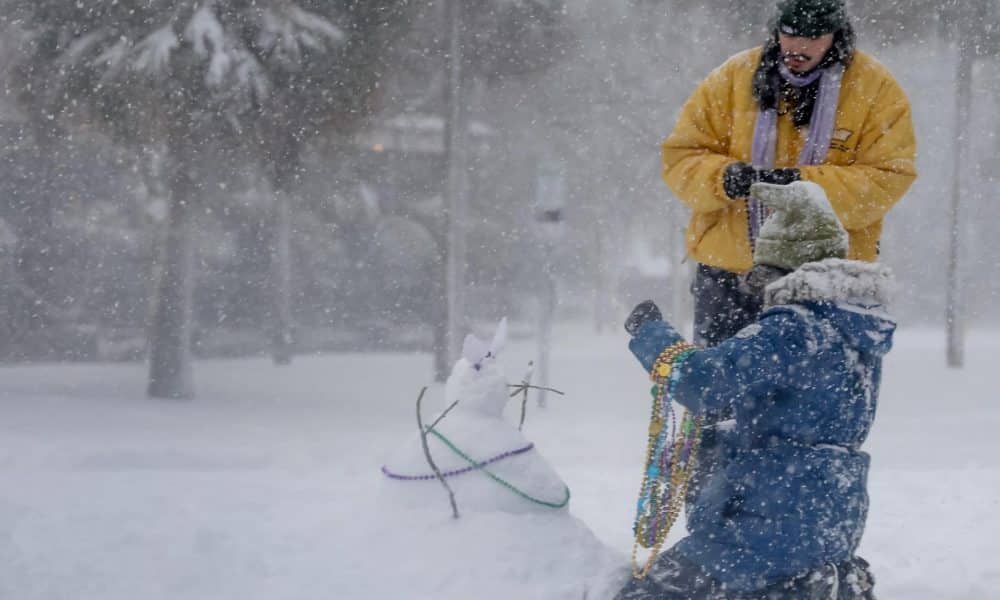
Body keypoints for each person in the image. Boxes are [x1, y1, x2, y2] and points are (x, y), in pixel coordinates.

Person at [661, 0, 916, 509]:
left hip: (823, 289)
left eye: (812, 38)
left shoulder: (877, 90)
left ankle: (791, 532)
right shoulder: (732, 77)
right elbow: (680, 156)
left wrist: (802, 184)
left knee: (806, 418)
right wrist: (722, 177)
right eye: (788, 34)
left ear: (836, 36)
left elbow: (889, 177)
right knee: (716, 408)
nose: (796, 48)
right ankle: (708, 522)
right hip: (730, 276)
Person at [616, 181, 893, 599]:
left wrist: (652, 335)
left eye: (762, 274)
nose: (757, 290)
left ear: (790, 270)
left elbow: (703, 384)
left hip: (764, 529)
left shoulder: (794, 327)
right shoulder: (854, 333)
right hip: (830, 522)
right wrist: (710, 441)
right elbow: (804, 428)